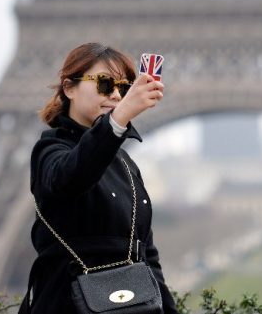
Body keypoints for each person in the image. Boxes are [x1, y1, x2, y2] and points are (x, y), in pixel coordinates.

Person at [20, 42, 178, 314]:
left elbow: (147, 257)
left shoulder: (127, 166)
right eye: (105, 83)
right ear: (69, 88)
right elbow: (71, 177)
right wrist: (118, 120)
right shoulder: (50, 151)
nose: (116, 95)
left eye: (125, 87)